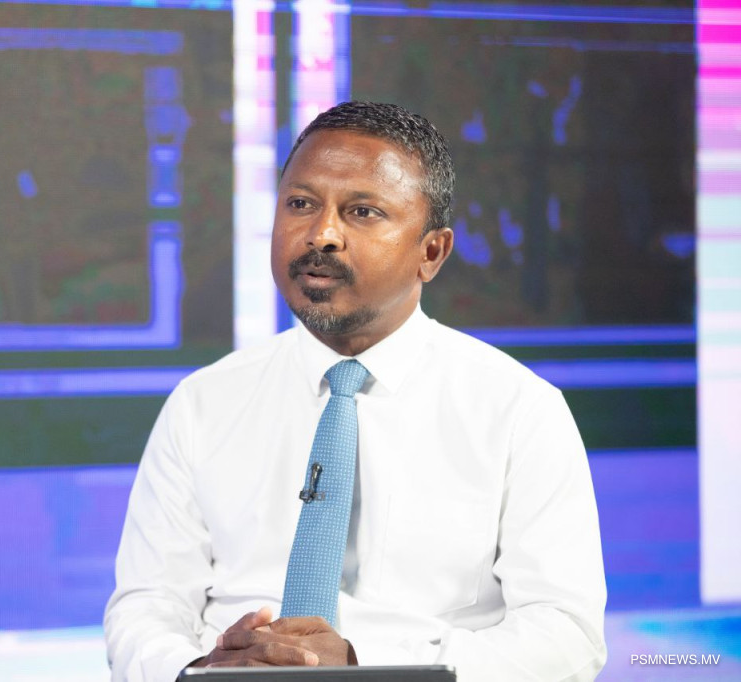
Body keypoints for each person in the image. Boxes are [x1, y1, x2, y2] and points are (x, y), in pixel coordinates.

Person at [104, 101, 607, 682]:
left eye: (362, 212)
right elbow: (145, 607)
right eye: (301, 204)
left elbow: (566, 636)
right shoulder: (202, 403)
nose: (321, 234)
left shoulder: (519, 411)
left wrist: (362, 663)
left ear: (432, 252)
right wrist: (201, 666)